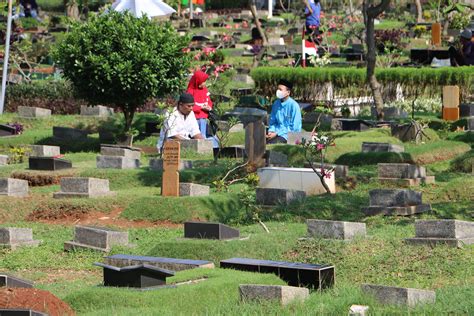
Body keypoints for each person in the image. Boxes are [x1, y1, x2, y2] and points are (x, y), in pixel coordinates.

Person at [266, 80, 302, 144]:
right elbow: (272, 121)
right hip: (277, 132)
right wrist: (271, 131)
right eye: (278, 89)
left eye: (280, 89)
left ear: (288, 92)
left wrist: (277, 133)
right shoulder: (276, 103)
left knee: (271, 144)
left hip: (290, 135)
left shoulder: (294, 106)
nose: (278, 91)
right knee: (258, 139)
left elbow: (294, 128)